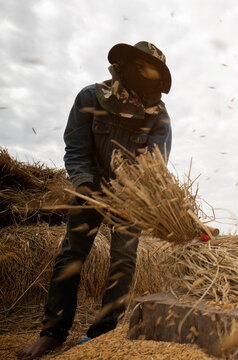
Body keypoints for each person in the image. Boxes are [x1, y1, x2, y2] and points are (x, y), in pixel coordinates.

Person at [17, 41, 173, 359]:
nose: (145, 75)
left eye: (152, 72)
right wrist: (84, 184)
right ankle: (52, 333)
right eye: (141, 67)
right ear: (125, 64)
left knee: (123, 260)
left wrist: (132, 192)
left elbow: (155, 162)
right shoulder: (90, 97)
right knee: (71, 255)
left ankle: (103, 333)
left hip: (131, 197)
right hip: (90, 188)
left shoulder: (159, 116)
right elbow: (75, 147)